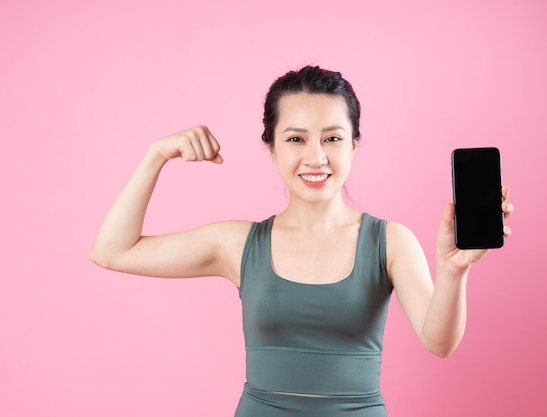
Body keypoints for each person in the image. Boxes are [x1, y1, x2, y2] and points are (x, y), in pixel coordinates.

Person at [90, 65, 514, 416]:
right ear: (271, 149)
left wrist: (454, 269)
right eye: (296, 139)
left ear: (354, 145)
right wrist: (156, 156)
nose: (316, 157)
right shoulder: (238, 244)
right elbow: (112, 251)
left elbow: (439, 343)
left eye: (332, 137)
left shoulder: (391, 242)